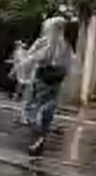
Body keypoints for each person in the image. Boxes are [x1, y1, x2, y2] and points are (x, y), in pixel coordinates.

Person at [17, 17, 73, 156]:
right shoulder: (65, 45)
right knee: (47, 110)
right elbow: (69, 64)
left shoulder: (43, 42)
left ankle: (37, 136)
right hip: (56, 81)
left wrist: (21, 62)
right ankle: (40, 138)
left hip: (41, 79)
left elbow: (32, 58)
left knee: (32, 108)